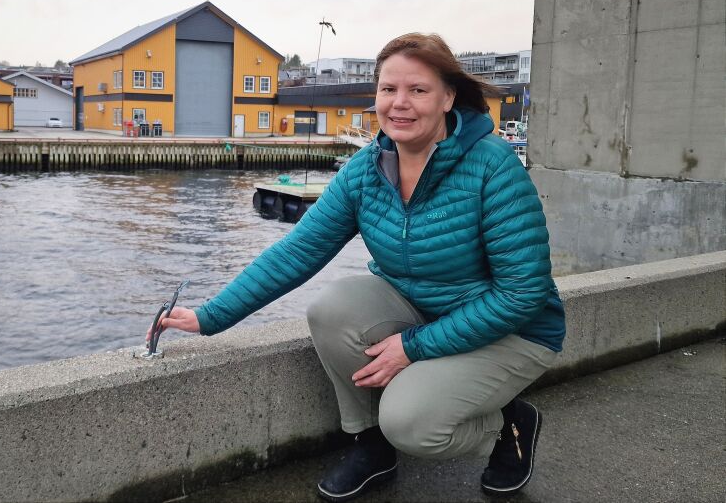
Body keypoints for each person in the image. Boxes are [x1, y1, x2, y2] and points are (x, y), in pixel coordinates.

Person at [152, 33, 566, 501]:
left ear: (448, 97)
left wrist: (414, 347)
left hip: (513, 330)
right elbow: (298, 251)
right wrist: (210, 316)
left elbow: (522, 293)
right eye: (388, 89)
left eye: (418, 90)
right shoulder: (366, 169)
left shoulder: (493, 167)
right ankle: (371, 445)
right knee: (333, 308)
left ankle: (509, 425)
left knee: (411, 425)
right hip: (426, 311)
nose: (400, 104)